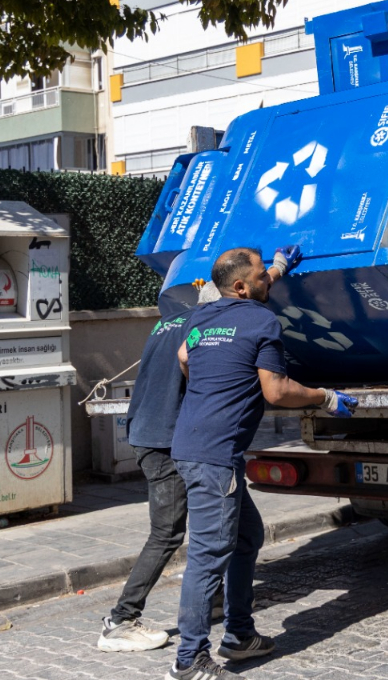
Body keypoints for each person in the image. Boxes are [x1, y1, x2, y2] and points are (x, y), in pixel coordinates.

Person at [96, 246, 303, 653]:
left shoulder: (175, 321)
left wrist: (278, 267)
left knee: (244, 533)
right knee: (170, 532)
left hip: (158, 431)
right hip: (168, 438)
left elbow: (247, 284)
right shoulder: (209, 322)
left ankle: (228, 617)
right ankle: (121, 620)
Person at [166, 247, 359, 680]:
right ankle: (189, 660)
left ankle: (238, 636)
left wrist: (279, 265)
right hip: (215, 455)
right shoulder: (261, 321)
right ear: (242, 287)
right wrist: (326, 397)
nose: (268, 280)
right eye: (262, 276)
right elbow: (276, 391)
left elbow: (183, 356)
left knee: (247, 536)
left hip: (192, 444)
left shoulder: (203, 316)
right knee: (208, 555)